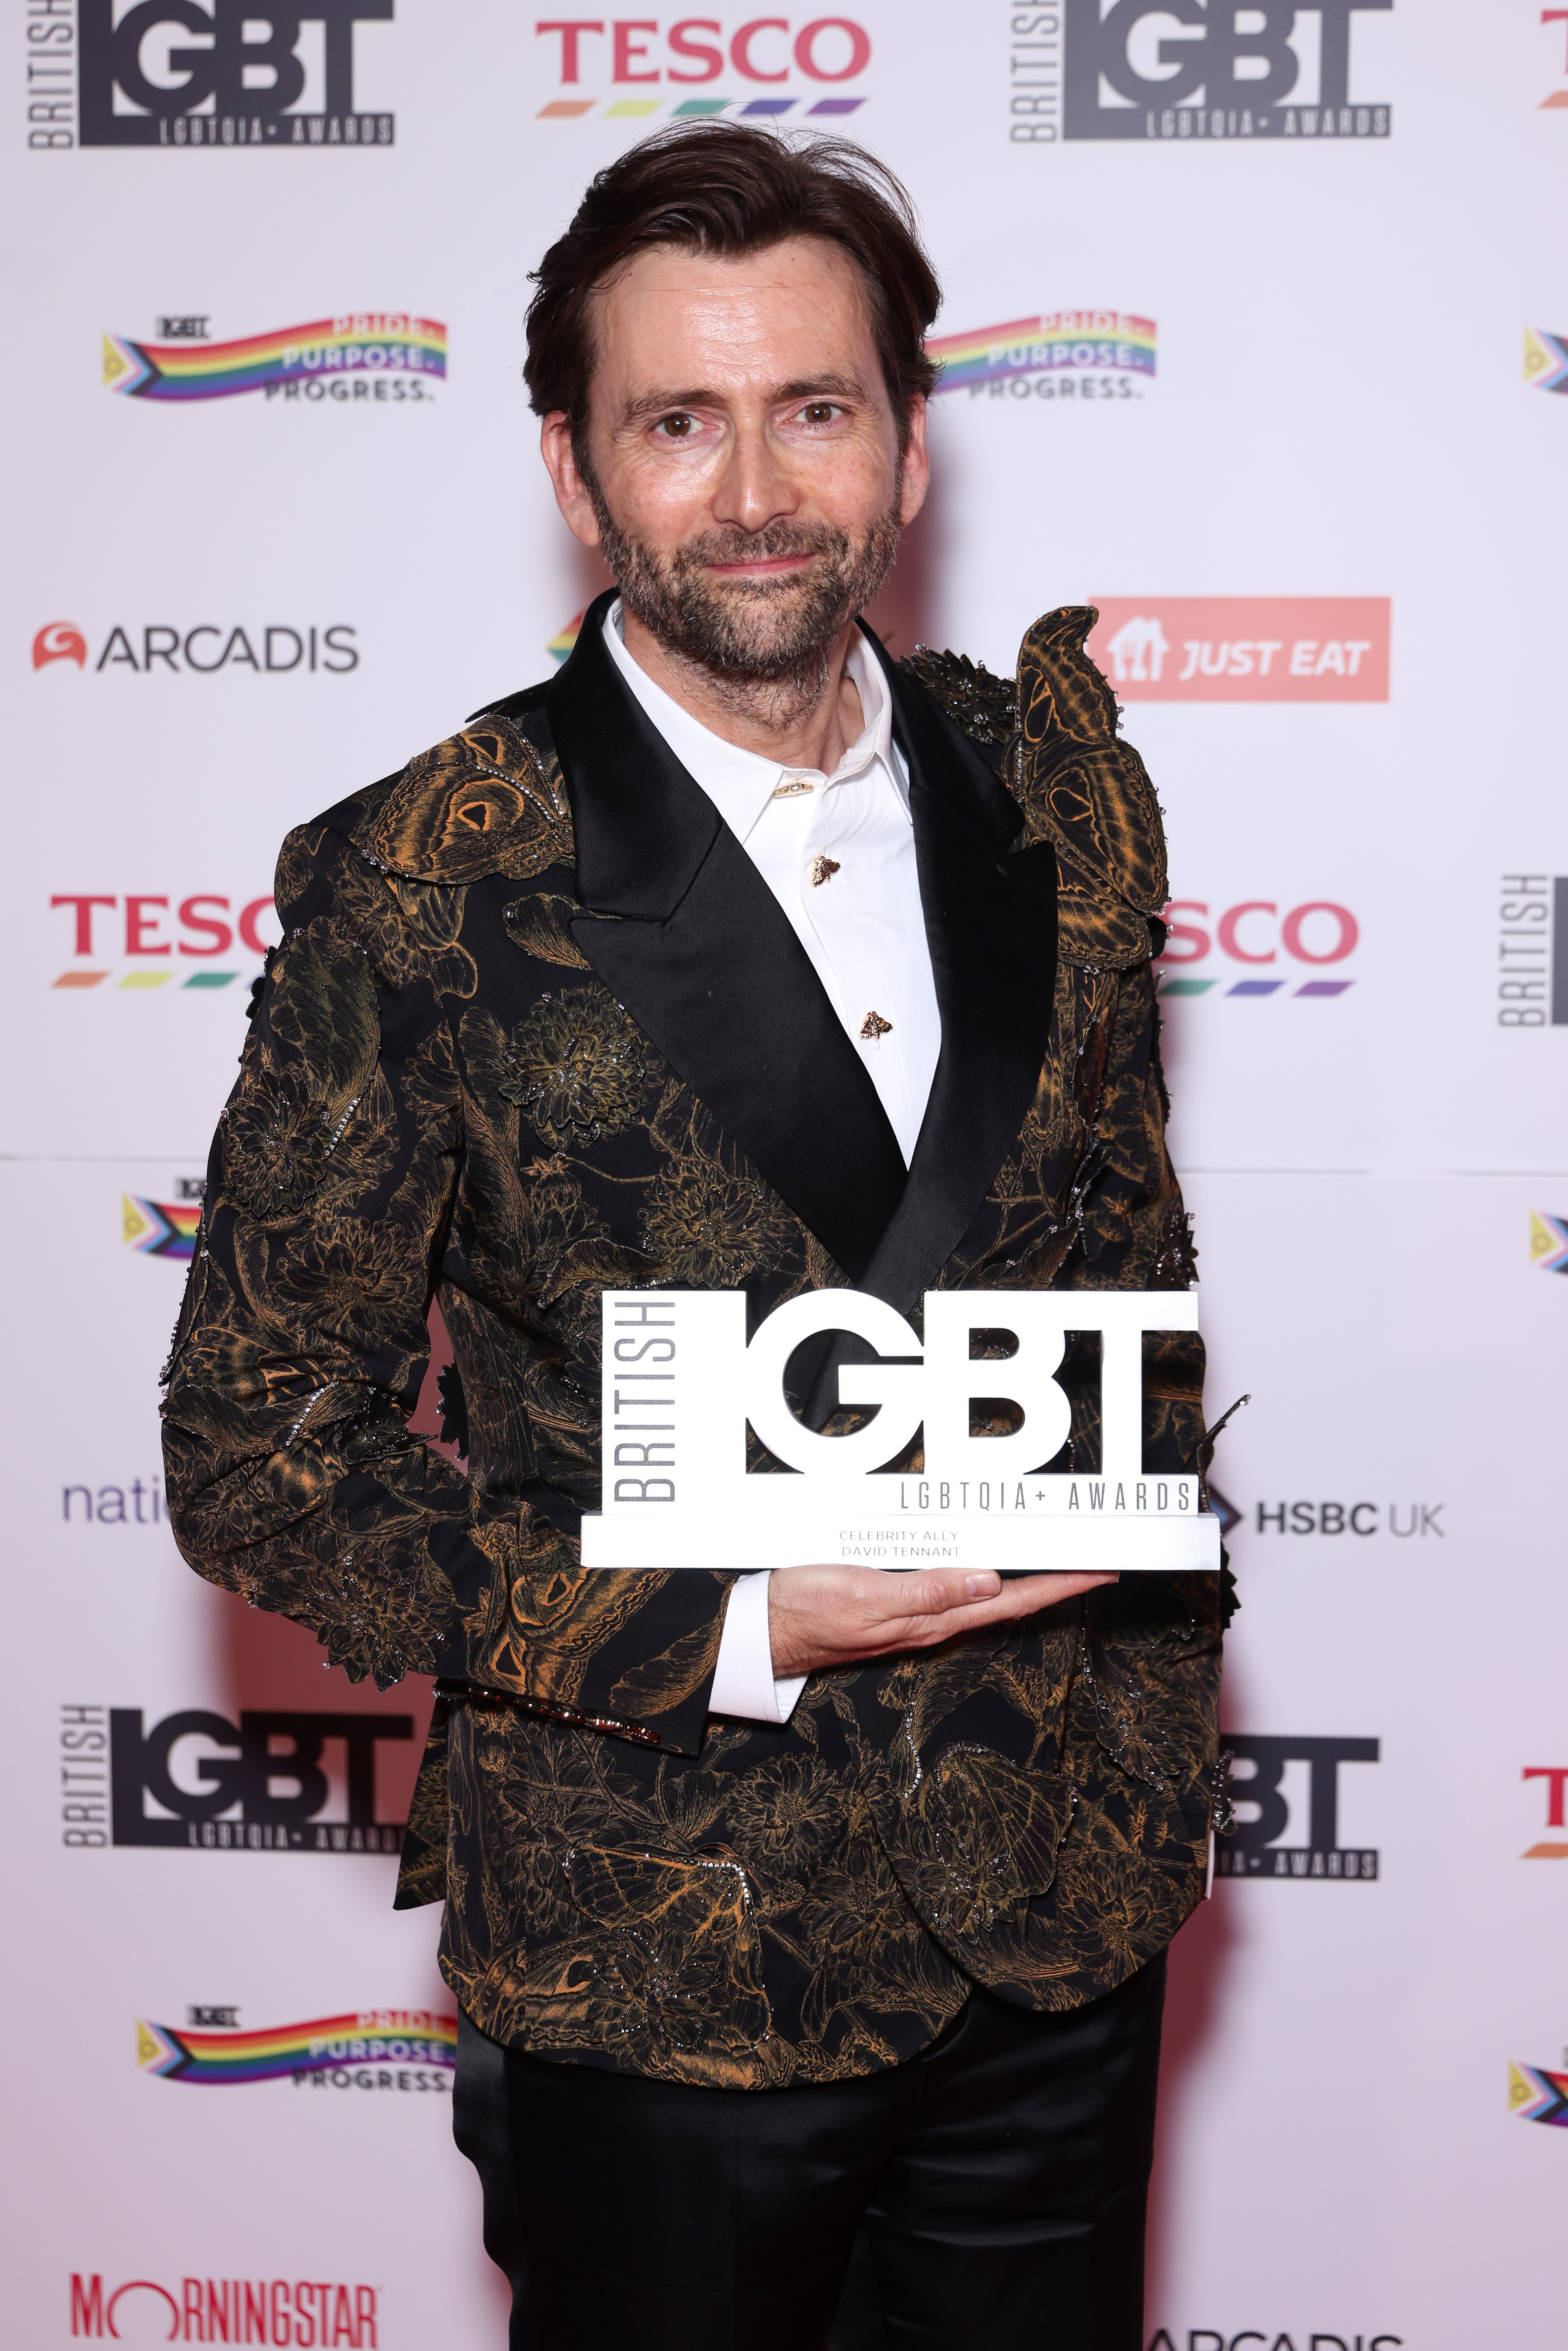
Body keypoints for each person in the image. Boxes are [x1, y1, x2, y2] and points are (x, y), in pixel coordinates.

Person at [161, 121, 1228, 2351]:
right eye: (677, 421)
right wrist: (734, 1618)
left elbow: (1109, 1264)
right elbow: (258, 1449)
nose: (754, 487)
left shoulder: (1063, 799)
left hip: (1056, 1909)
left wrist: (1142, 1640)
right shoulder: (424, 876)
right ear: (576, 469)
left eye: (812, 409)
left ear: (908, 448)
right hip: (663, 1951)